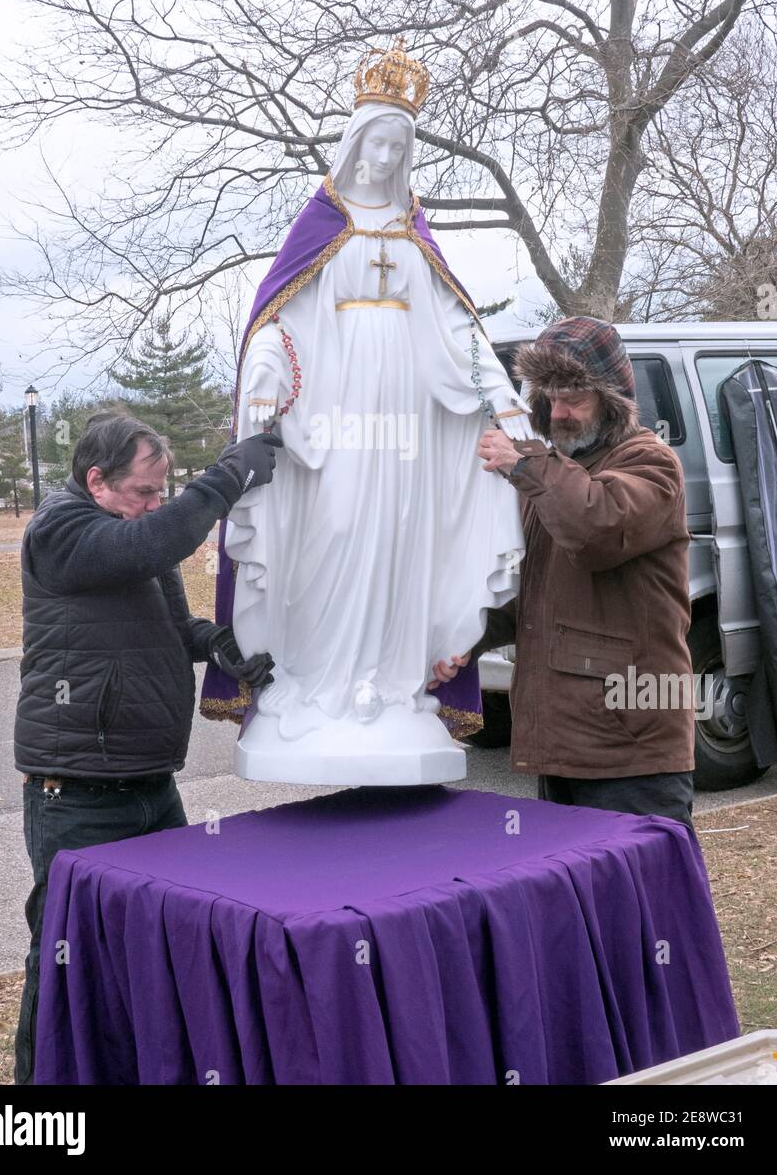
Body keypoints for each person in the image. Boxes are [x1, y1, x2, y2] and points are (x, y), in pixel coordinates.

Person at [199, 39, 533, 780]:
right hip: (336, 416)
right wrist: (262, 377)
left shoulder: (415, 232)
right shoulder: (321, 226)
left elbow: (454, 327)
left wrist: (499, 392)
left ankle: (387, 684)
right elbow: (278, 323)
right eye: (376, 142)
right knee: (339, 526)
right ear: (354, 144)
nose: (385, 158)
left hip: (409, 417)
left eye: (398, 146)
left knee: (401, 540)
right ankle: (315, 681)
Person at [13, 410, 281, 1083]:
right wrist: (227, 478)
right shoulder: (61, 531)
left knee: (165, 941)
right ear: (96, 479)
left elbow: (171, 621)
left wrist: (217, 644)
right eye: (145, 492)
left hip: (150, 785)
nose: (156, 506)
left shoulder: (131, 533)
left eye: (164, 493)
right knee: (65, 952)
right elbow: (149, 547)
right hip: (77, 794)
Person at [430, 316, 696, 827]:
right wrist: (467, 639)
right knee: (578, 905)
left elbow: (597, 527)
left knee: (643, 899)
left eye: (575, 396)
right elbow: (530, 594)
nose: (560, 413)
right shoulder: (552, 476)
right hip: (561, 740)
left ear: (613, 399)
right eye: (550, 398)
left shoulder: (650, 462)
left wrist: (523, 465)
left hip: (631, 748)